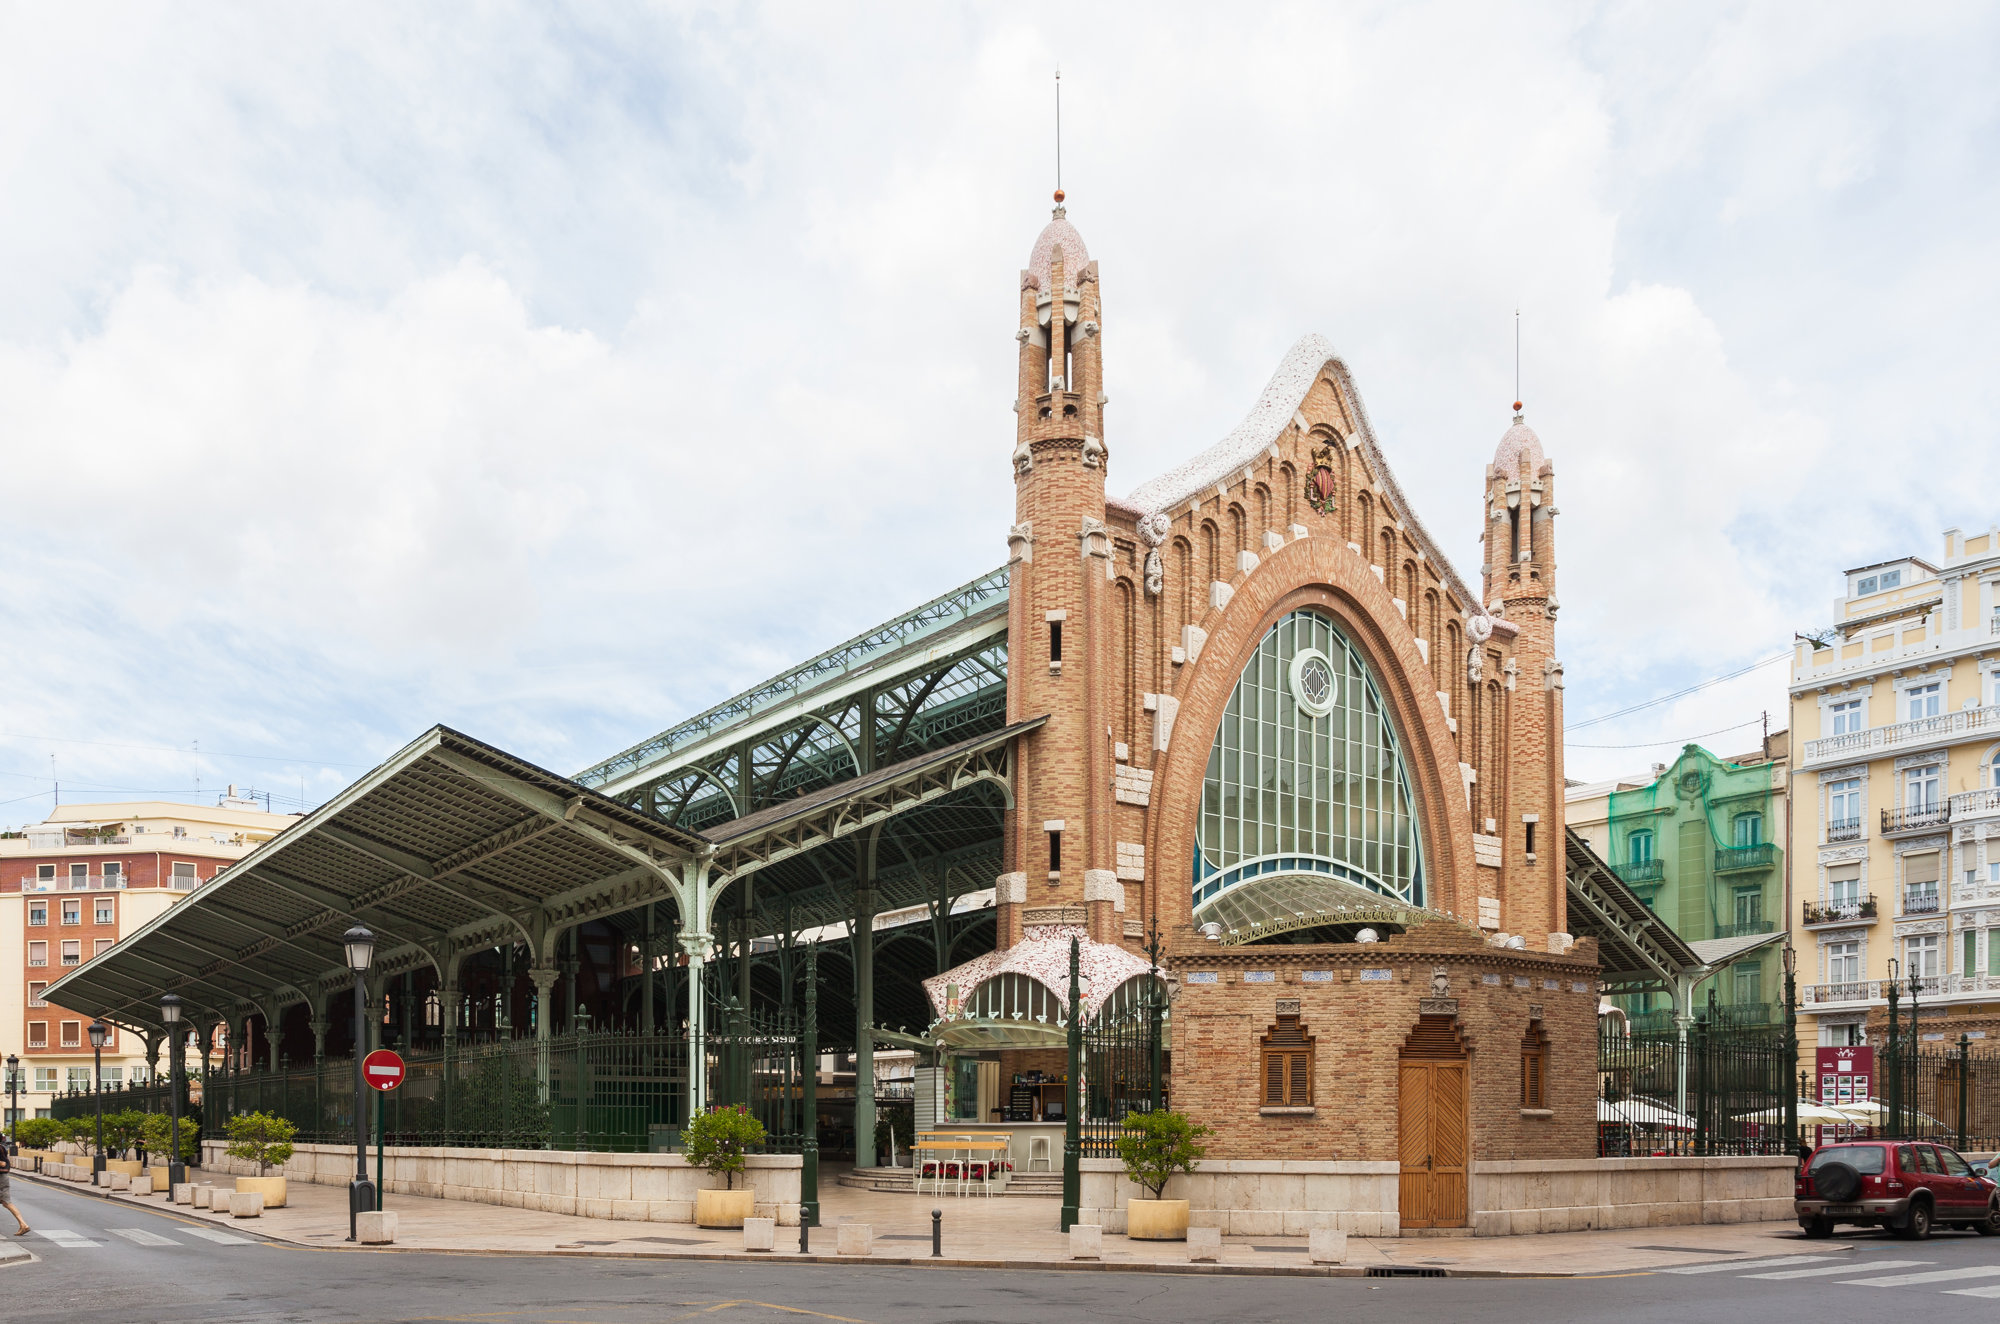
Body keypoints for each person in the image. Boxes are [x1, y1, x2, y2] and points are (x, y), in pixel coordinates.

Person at [0, 1135, 28, 1236]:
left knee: (7, 1202)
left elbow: (3, 1163)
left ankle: (23, 1224)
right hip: (4, 1177)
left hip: (1, 1178)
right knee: (6, 1202)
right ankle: (23, 1224)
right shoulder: (2, 1147)